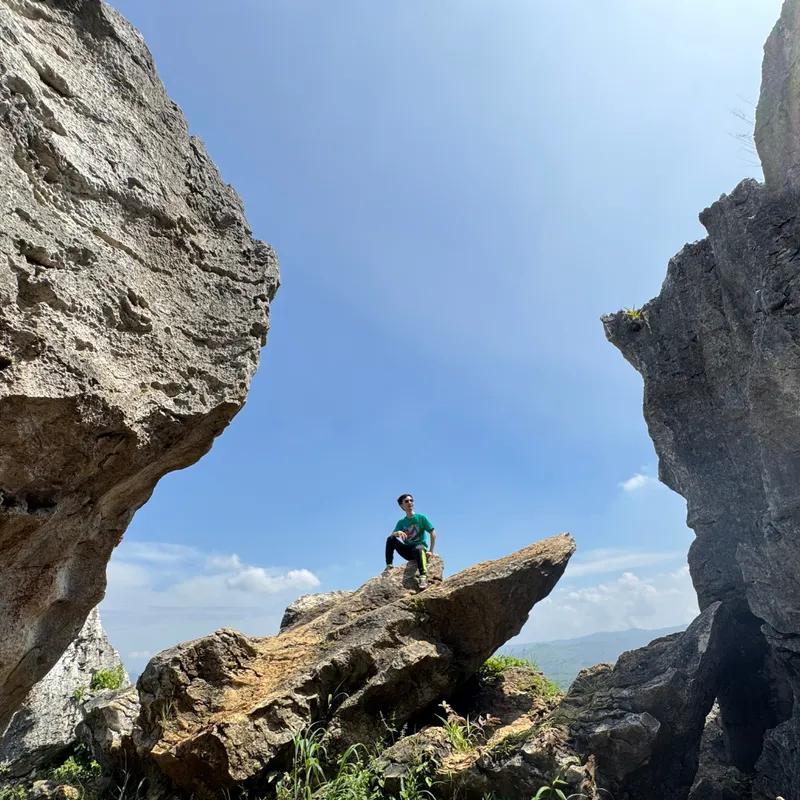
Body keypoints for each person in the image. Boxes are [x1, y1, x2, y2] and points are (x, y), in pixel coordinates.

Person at [383, 493, 437, 588]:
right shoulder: (401, 522)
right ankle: (389, 565)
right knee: (390, 539)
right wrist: (397, 532)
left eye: (411, 500)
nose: (410, 503)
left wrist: (431, 551)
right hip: (407, 551)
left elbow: (432, 532)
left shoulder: (421, 518)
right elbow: (392, 535)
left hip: (419, 549)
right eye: (407, 501)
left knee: (418, 548)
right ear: (402, 505)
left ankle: (423, 577)